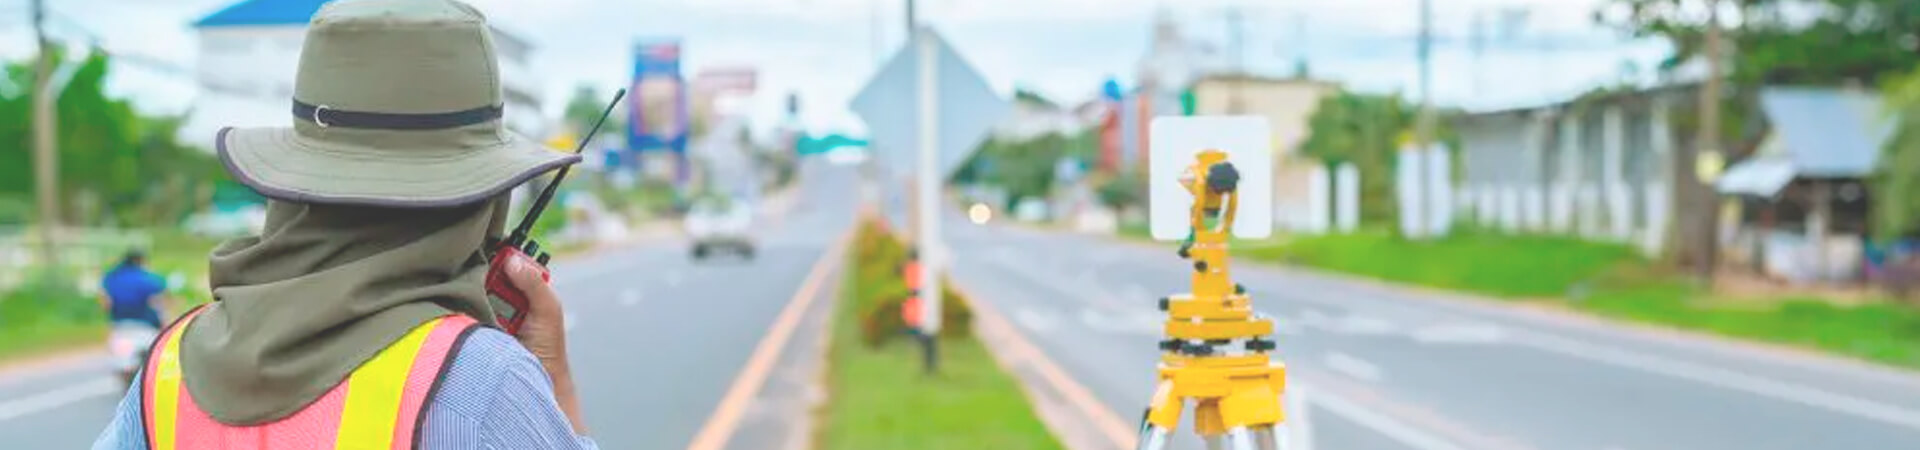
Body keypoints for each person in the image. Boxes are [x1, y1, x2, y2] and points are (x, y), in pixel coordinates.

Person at [90, 0, 595, 448]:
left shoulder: (167, 371)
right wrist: (557, 379)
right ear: (480, 200)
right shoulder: (481, 380)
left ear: (297, 188)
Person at [99, 250, 169, 330]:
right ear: (140, 261)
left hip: (118, 320)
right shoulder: (145, 277)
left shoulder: (112, 275)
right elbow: (162, 294)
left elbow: (105, 303)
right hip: (144, 321)